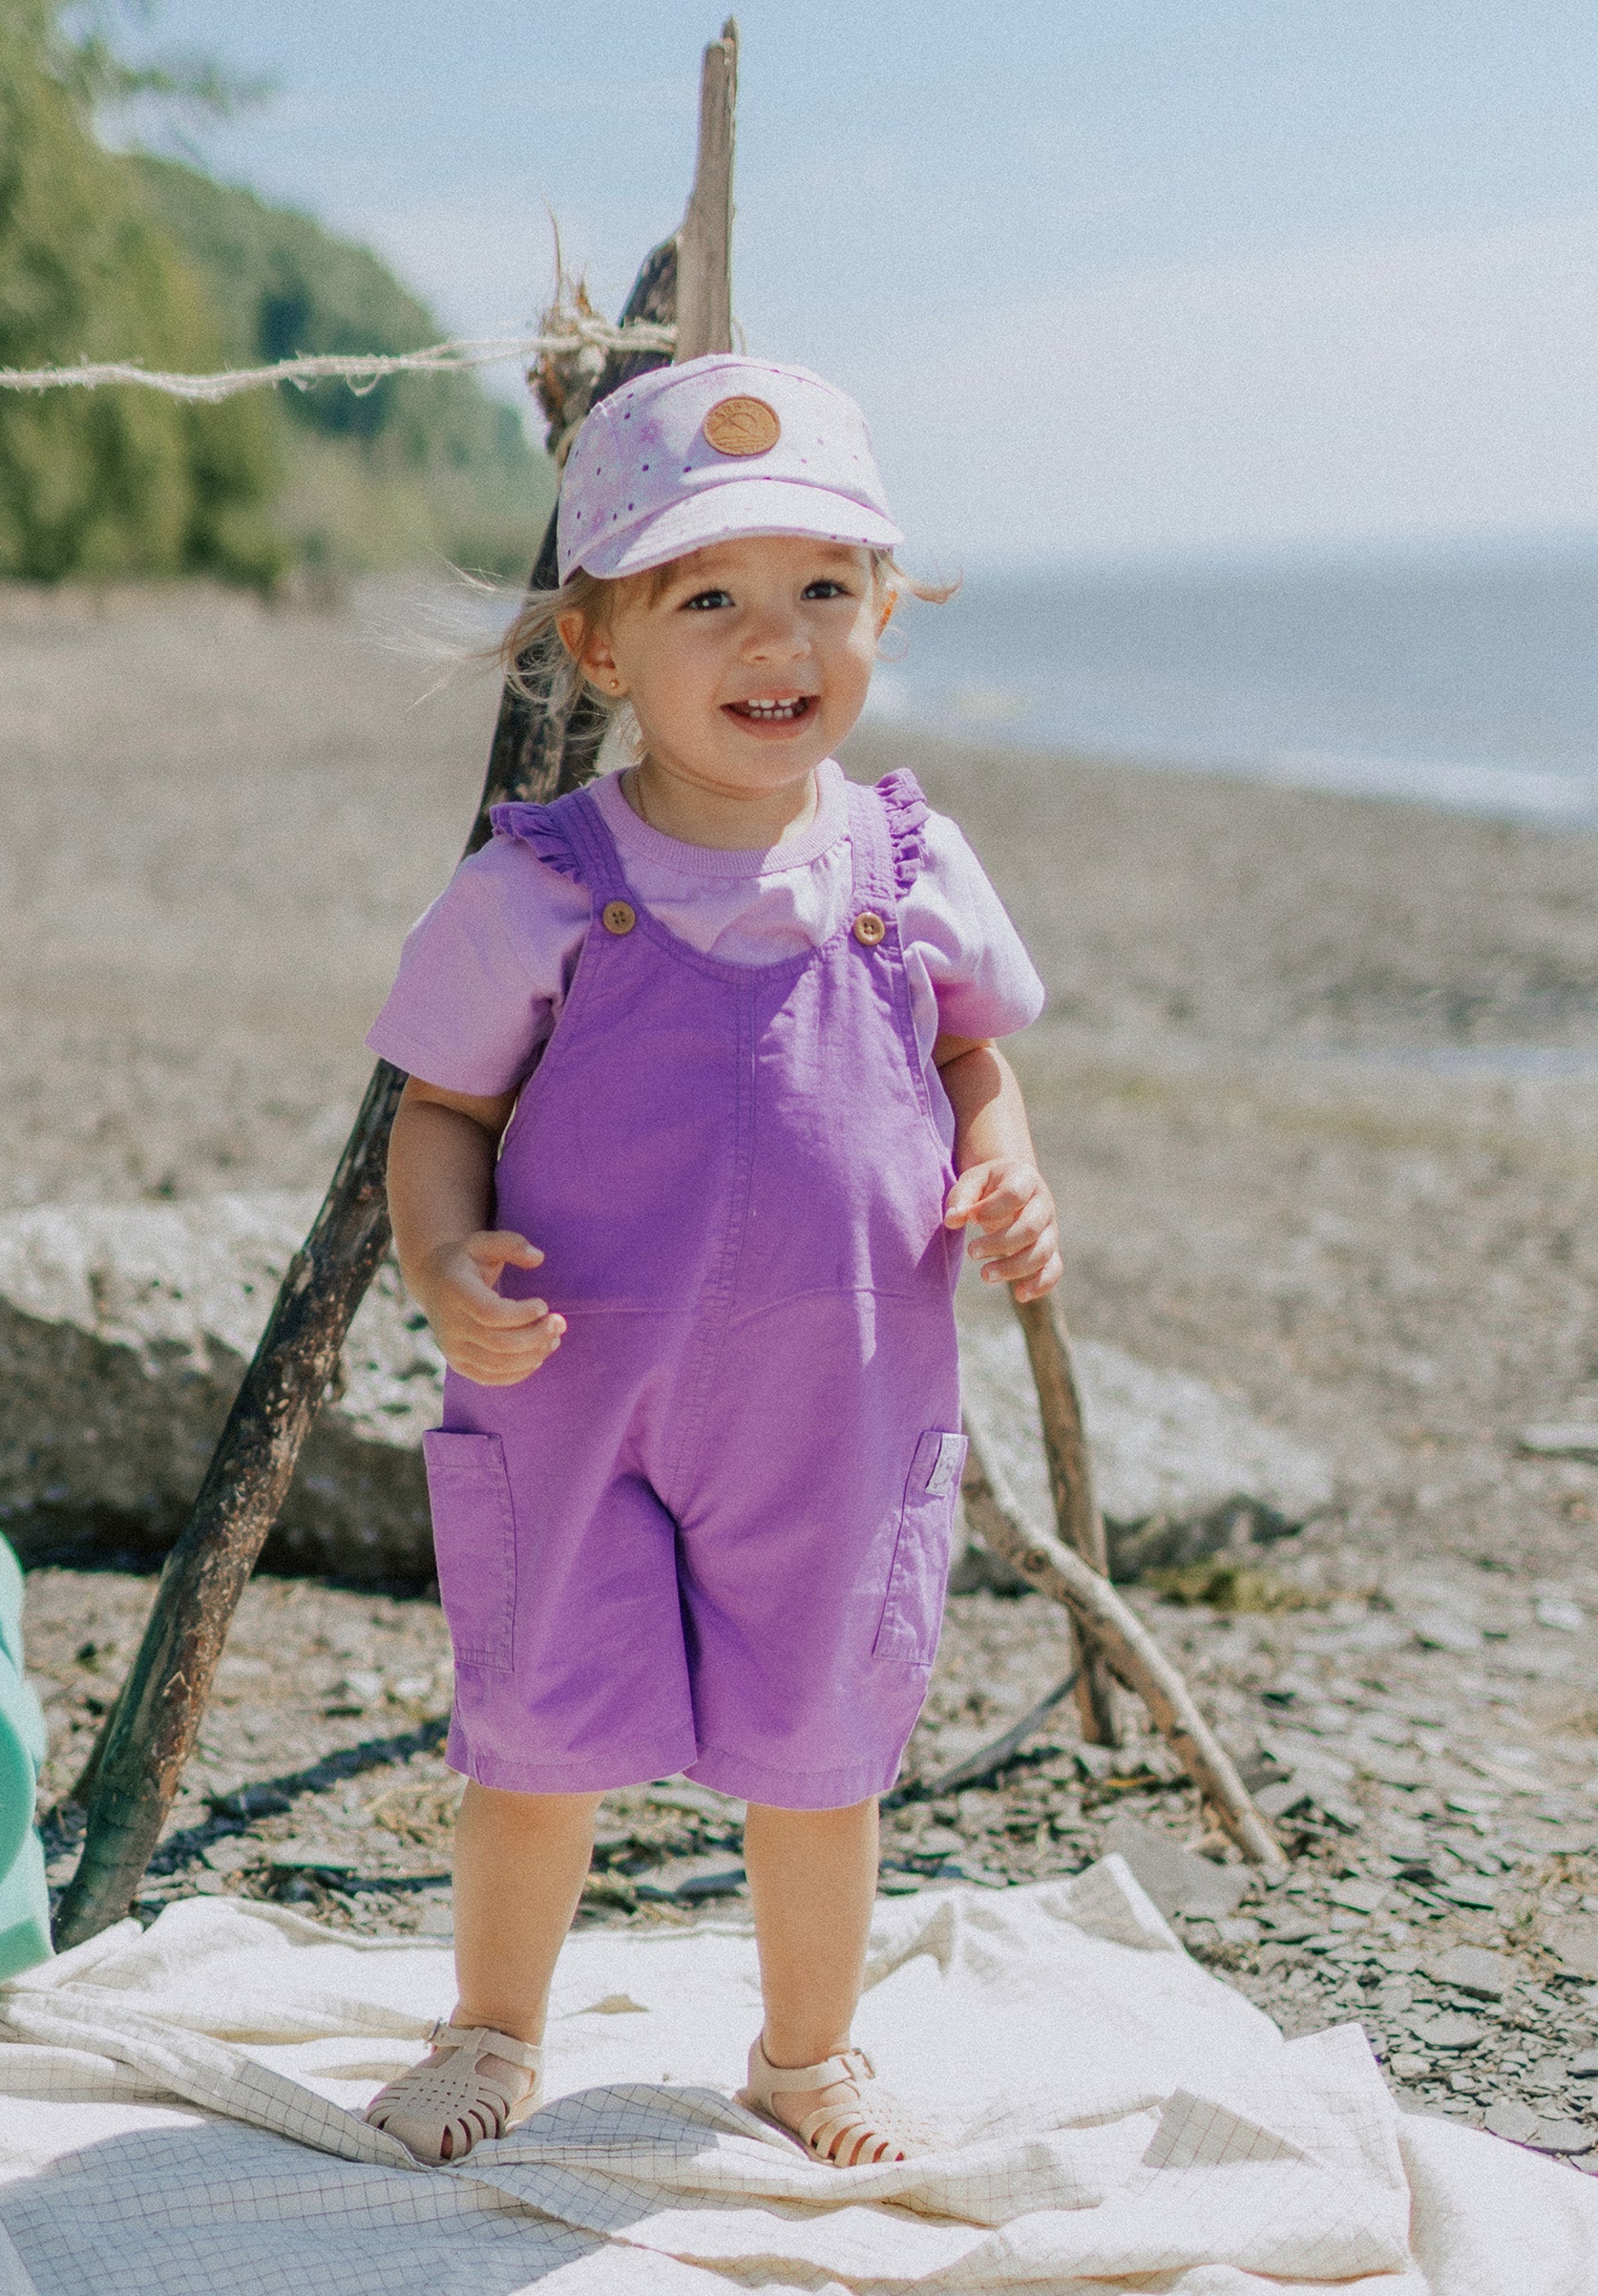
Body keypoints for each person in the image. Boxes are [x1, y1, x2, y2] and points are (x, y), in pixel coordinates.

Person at [361, 355, 1061, 2170]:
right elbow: (438, 1110)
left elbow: (975, 1060)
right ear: (601, 645)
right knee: (536, 1736)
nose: (778, 639)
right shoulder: (539, 885)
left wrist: (1003, 1169)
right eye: (710, 599)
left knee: (820, 1748)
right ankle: (493, 2028)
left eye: (823, 586)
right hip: (571, 1396)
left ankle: (806, 2056)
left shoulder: (908, 866)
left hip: (836, 1406)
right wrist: (442, 1261)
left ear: (883, 610)